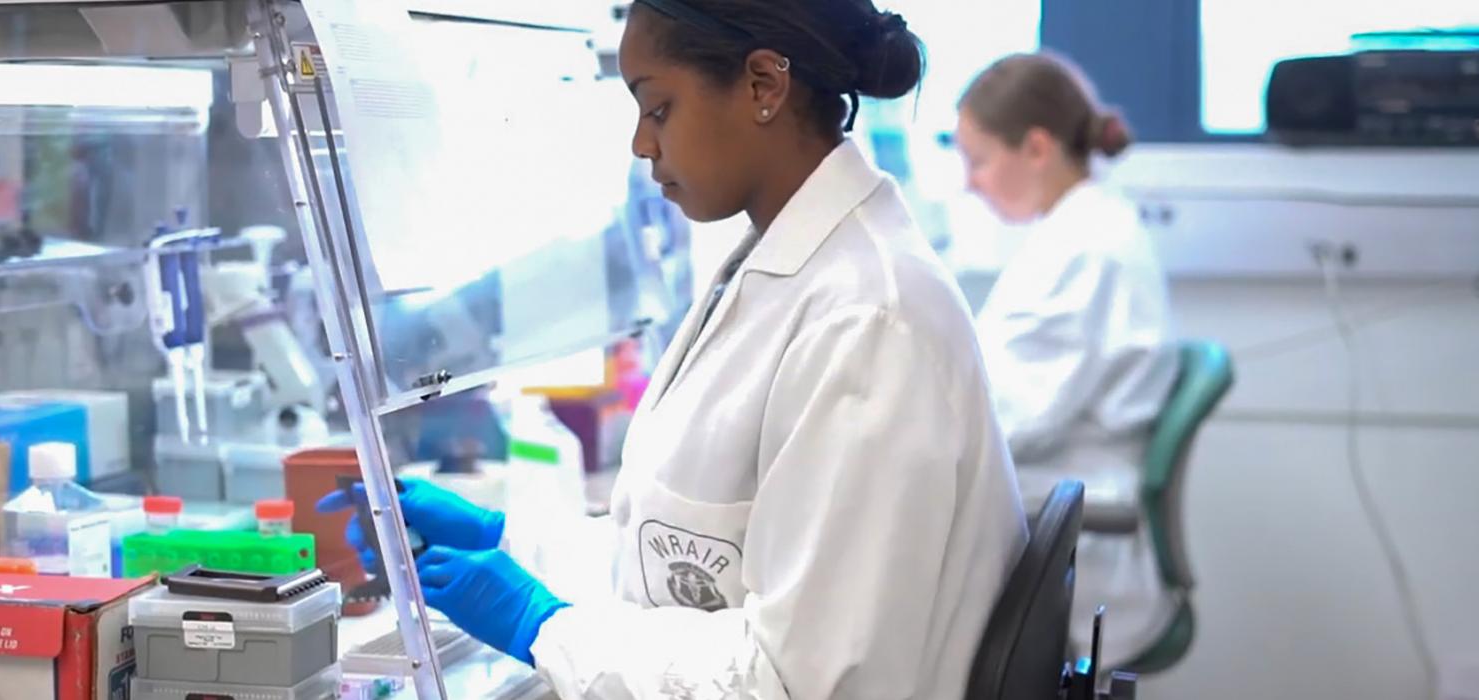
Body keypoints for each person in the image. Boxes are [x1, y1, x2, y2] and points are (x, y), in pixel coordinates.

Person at [318, 1, 1028, 698]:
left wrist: (542, 627)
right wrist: (507, 541)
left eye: (658, 108)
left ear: (763, 86)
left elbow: (797, 681)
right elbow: (684, 567)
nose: (642, 144)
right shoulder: (785, 271)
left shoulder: (868, 320)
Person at [953, 52, 1181, 667]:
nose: (968, 181)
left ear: (1035, 146)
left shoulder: (1086, 252)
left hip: (1075, 543)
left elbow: (1013, 420)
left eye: (977, 159)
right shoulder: (1079, 231)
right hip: (1056, 499)